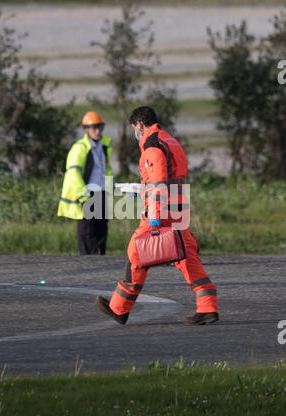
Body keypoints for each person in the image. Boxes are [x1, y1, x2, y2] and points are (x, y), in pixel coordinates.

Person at [97, 106, 219, 325]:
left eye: (135, 128)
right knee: (186, 254)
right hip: (178, 206)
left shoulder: (152, 146)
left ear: (140, 125)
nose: (136, 133)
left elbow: (159, 183)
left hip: (162, 211)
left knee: (137, 252)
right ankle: (208, 306)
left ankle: (119, 308)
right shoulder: (169, 140)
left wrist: (153, 215)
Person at [58, 111, 112, 255]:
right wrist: (83, 196)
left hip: (101, 194)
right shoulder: (79, 148)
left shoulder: (103, 146)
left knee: (101, 233)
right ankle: (87, 268)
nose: (98, 130)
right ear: (86, 129)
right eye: (94, 127)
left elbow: (106, 170)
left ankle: (100, 264)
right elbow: (73, 175)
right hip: (88, 195)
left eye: (100, 127)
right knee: (88, 234)